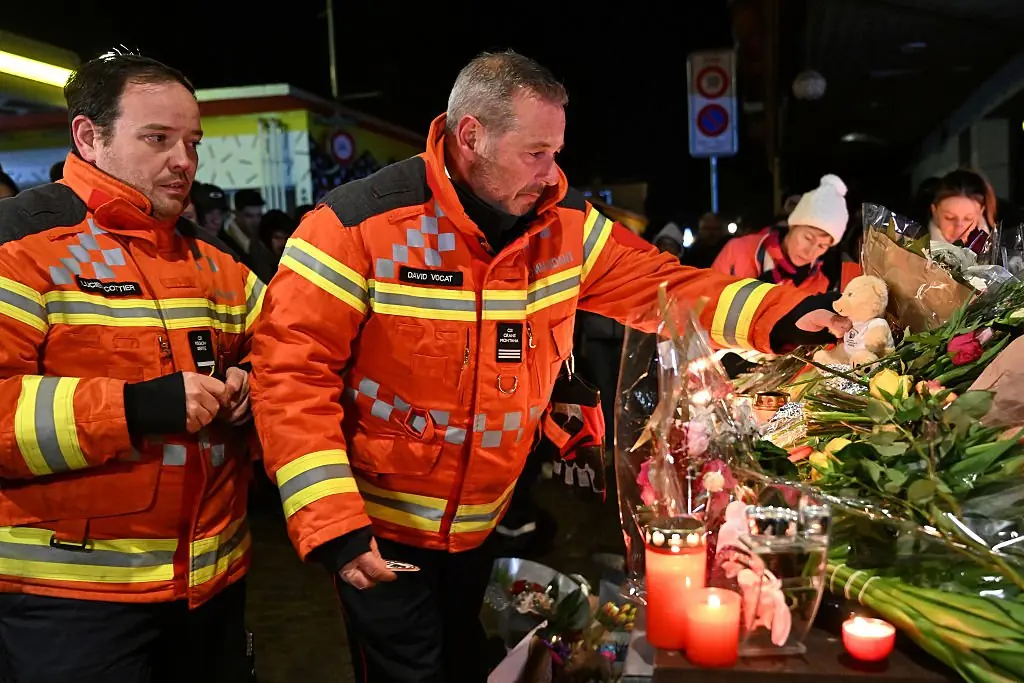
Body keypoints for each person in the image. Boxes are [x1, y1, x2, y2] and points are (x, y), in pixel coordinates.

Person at [249, 50, 846, 683]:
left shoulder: (565, 229)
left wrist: (779, 318)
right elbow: (289, 380)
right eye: (536, 152)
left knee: (461, 661)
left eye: (556, 151)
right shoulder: (355, 227)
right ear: (471, 136)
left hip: (483, 530)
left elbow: (664, 287)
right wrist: (334, 526)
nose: (552, 170)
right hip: (381, 535)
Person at [0, 52, 263, 683]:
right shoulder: (19, 247)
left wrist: (250, 382)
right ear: (88, 137)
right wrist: (136, 408)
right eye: (157, 139)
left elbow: (285, 354)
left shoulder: (215, 260)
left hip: (213, 591)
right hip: (68, 606)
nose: (185, 161)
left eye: (192, 142)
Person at [712, 174, 861, 293]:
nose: (810, 252)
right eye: (808, 238)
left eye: (822, 246)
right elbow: (704, 302)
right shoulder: (739, 250)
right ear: (793, 225)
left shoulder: (819, 286)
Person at [928, 169, 996, 256]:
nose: (959, 228)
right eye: (950, 218)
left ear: (980, 212)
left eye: (968, 219)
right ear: (935, 211)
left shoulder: (1000, 253)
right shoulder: (914, 247)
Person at [222, 189, 277, 284]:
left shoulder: (262, 236)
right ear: (237, 214)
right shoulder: (225, 241)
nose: (255, 221)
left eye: (258, 215)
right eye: (249, 216)